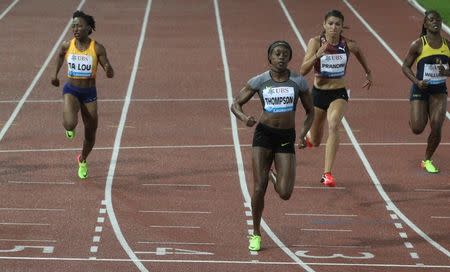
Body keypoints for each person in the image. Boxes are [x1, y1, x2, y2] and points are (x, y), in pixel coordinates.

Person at [231, 41, 314, 251]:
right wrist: (244, 118)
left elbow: (310, 111)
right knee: (259, 188)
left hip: (286, 137)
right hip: (264, 135)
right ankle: (256, 233)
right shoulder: (260, 81)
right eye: (277, 54)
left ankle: (271, 173)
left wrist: (304, 134)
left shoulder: (298, 82)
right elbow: (235, 104)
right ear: (270, 58)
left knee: (285, 192)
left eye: (285, 54)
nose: (281, 57)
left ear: (289, 58)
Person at [299, 9, 372, 187]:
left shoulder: (348, 44)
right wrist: (317, 55)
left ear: (342, 27)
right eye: (330, 24)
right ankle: (309, 137)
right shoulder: (315, 42)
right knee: (316, 141)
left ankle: (327, 174)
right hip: (318, 93)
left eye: (337, 24)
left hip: (338, 93)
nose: (333, 27)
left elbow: (359, 52)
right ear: (324, 25)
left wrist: (368, 72)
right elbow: (302, 71)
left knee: (333, 125)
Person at [51, 10, 114, 179]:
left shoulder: (97, 48)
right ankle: (70, 125)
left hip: (89, 93)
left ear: (88, 28)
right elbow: (59, 56)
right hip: (71, 89)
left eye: (79, 26)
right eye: (73, 26)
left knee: (91, 133)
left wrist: (108, 70)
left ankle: (83, 159)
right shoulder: (67, 45)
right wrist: (54, 75)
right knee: (70, 124)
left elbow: (109, 70)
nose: (75, 29)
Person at [402, 10, 449, 173]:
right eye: (431, 19)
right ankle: (416, 118)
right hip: (420, 89)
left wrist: (446, 71)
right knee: (417, 128)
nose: (435, 21)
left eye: (438, 19)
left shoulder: (447, 44)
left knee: (437, 126)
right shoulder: (418, 44)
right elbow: (405, 66)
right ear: (425, 24)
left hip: (439, 92)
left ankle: (427, 160)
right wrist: (417, 82)